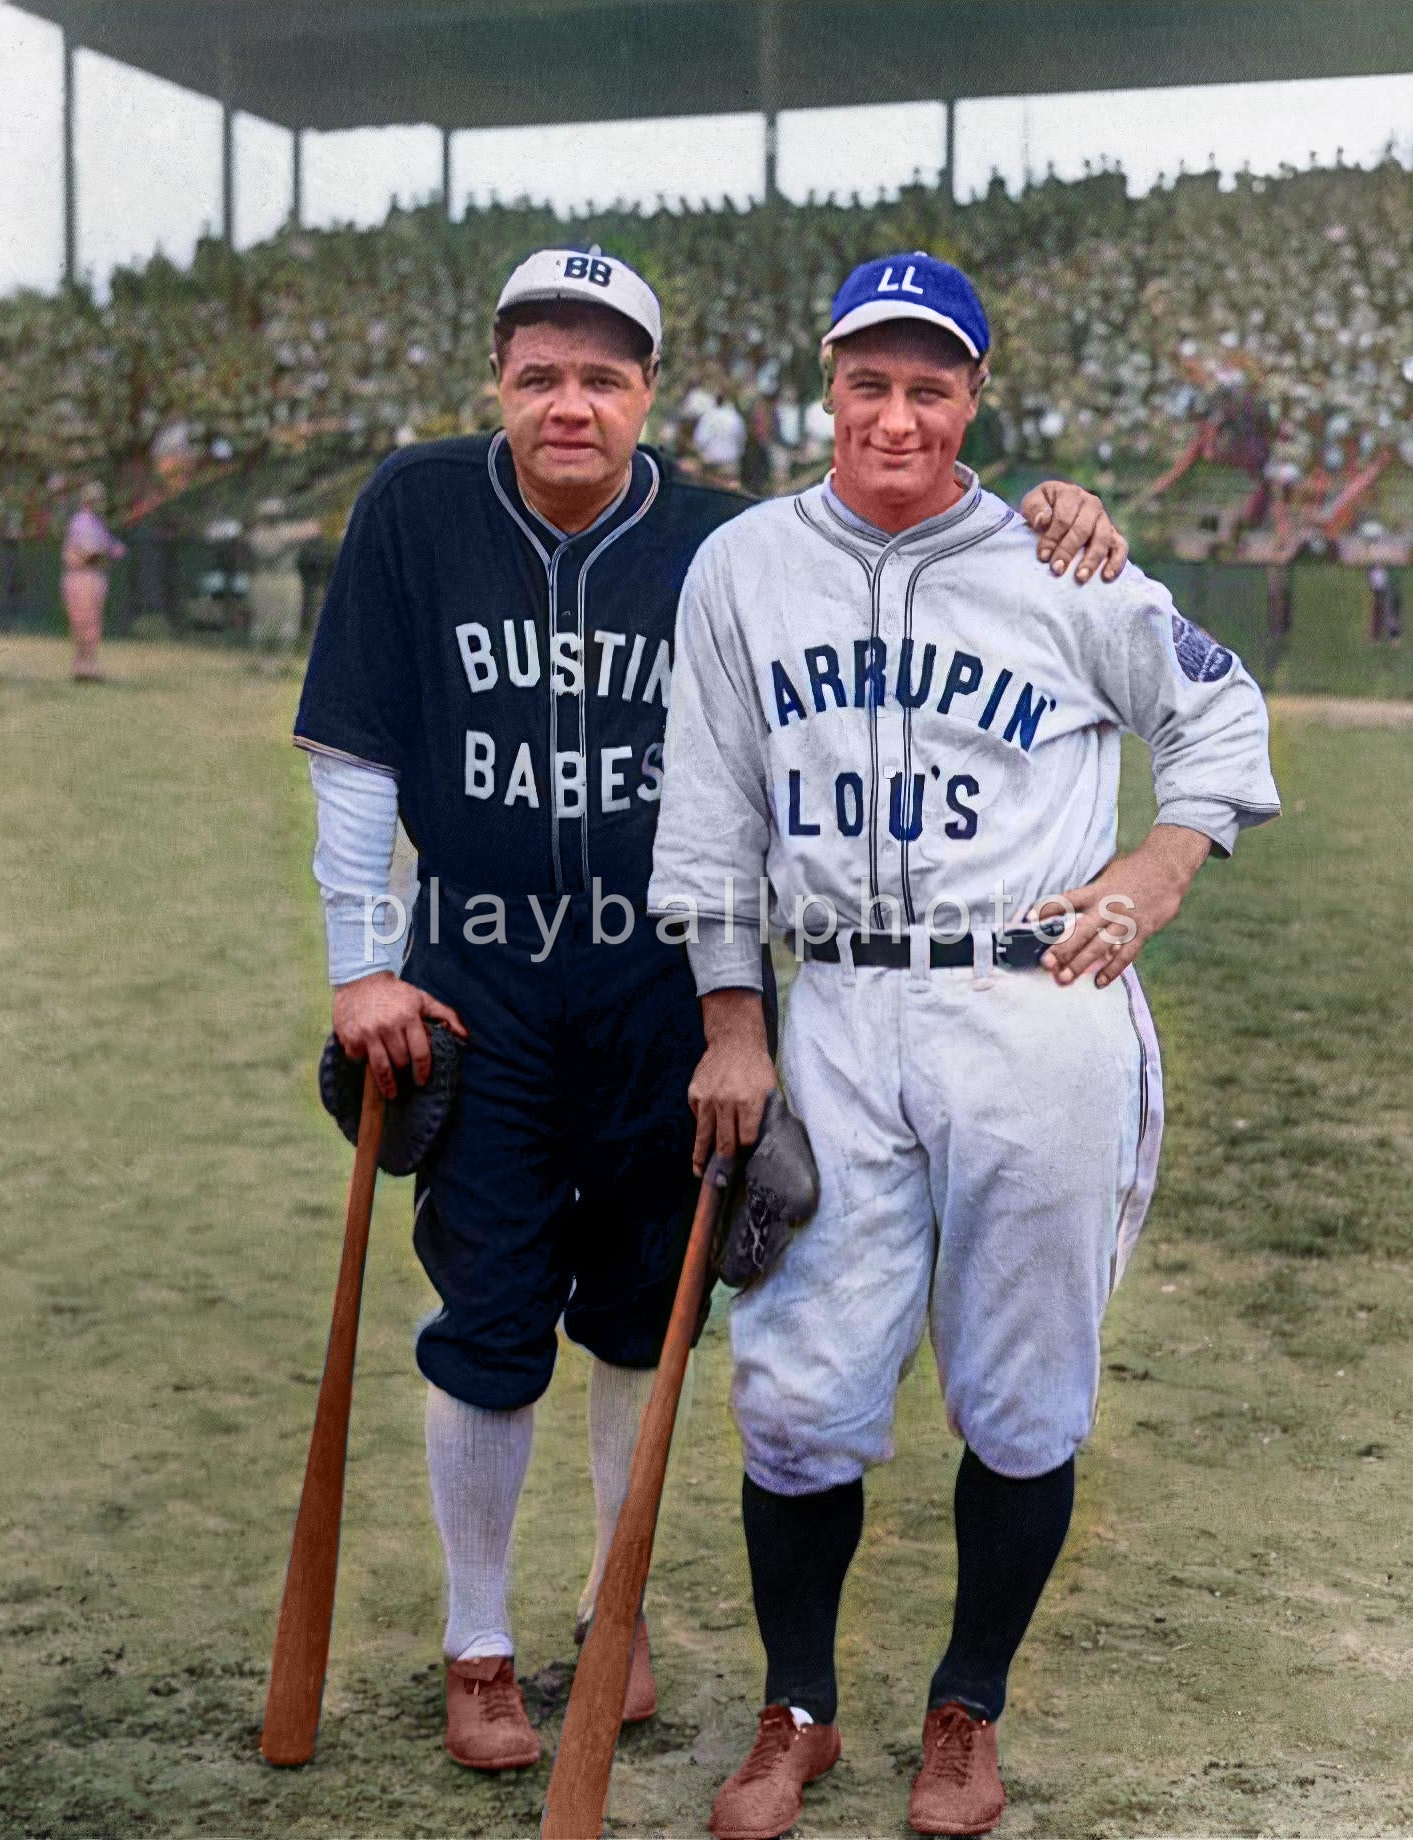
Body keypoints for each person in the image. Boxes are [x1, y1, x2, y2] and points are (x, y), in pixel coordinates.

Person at [292, 245, 1129, 1778]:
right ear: (499, 379)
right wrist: (361, 964)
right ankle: (481, 1643)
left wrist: (1056, 505)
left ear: (651, 395)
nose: (570, 403)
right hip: (473, 976)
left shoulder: (725, 543)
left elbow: (899, 524)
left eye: (603, 376)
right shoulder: (414, 508)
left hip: (660, 983)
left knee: (640, 1312)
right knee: (486, 1321)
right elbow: (353, 755)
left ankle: (616, 1616)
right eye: (540, 372)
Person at [647, 252, 1281, 1839]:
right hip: (839, 1006)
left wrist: (1155, 869)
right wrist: (735, 1020)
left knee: (1020, 1390)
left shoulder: (1065, 563)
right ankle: (797, 1709)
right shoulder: (741, 566)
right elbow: (711, 807)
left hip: (1034, 1001)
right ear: (828, 383)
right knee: (795, 1394)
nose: (899, 412)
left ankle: (967, 1707)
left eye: (933, 384)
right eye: (872, 379)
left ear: (974, 400)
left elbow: (1220, 715)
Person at [60, 482, 126, 681]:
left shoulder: (97, 523)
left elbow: (114, 549)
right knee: (83, 621)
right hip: (81, 574)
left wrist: (113, 549)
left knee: (91, 623)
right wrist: (108, 551)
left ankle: (87, 667)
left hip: (93, 575)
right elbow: (91, 552)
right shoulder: (82, 521)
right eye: (97, 499)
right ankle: (83, 667)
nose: (100, 503)